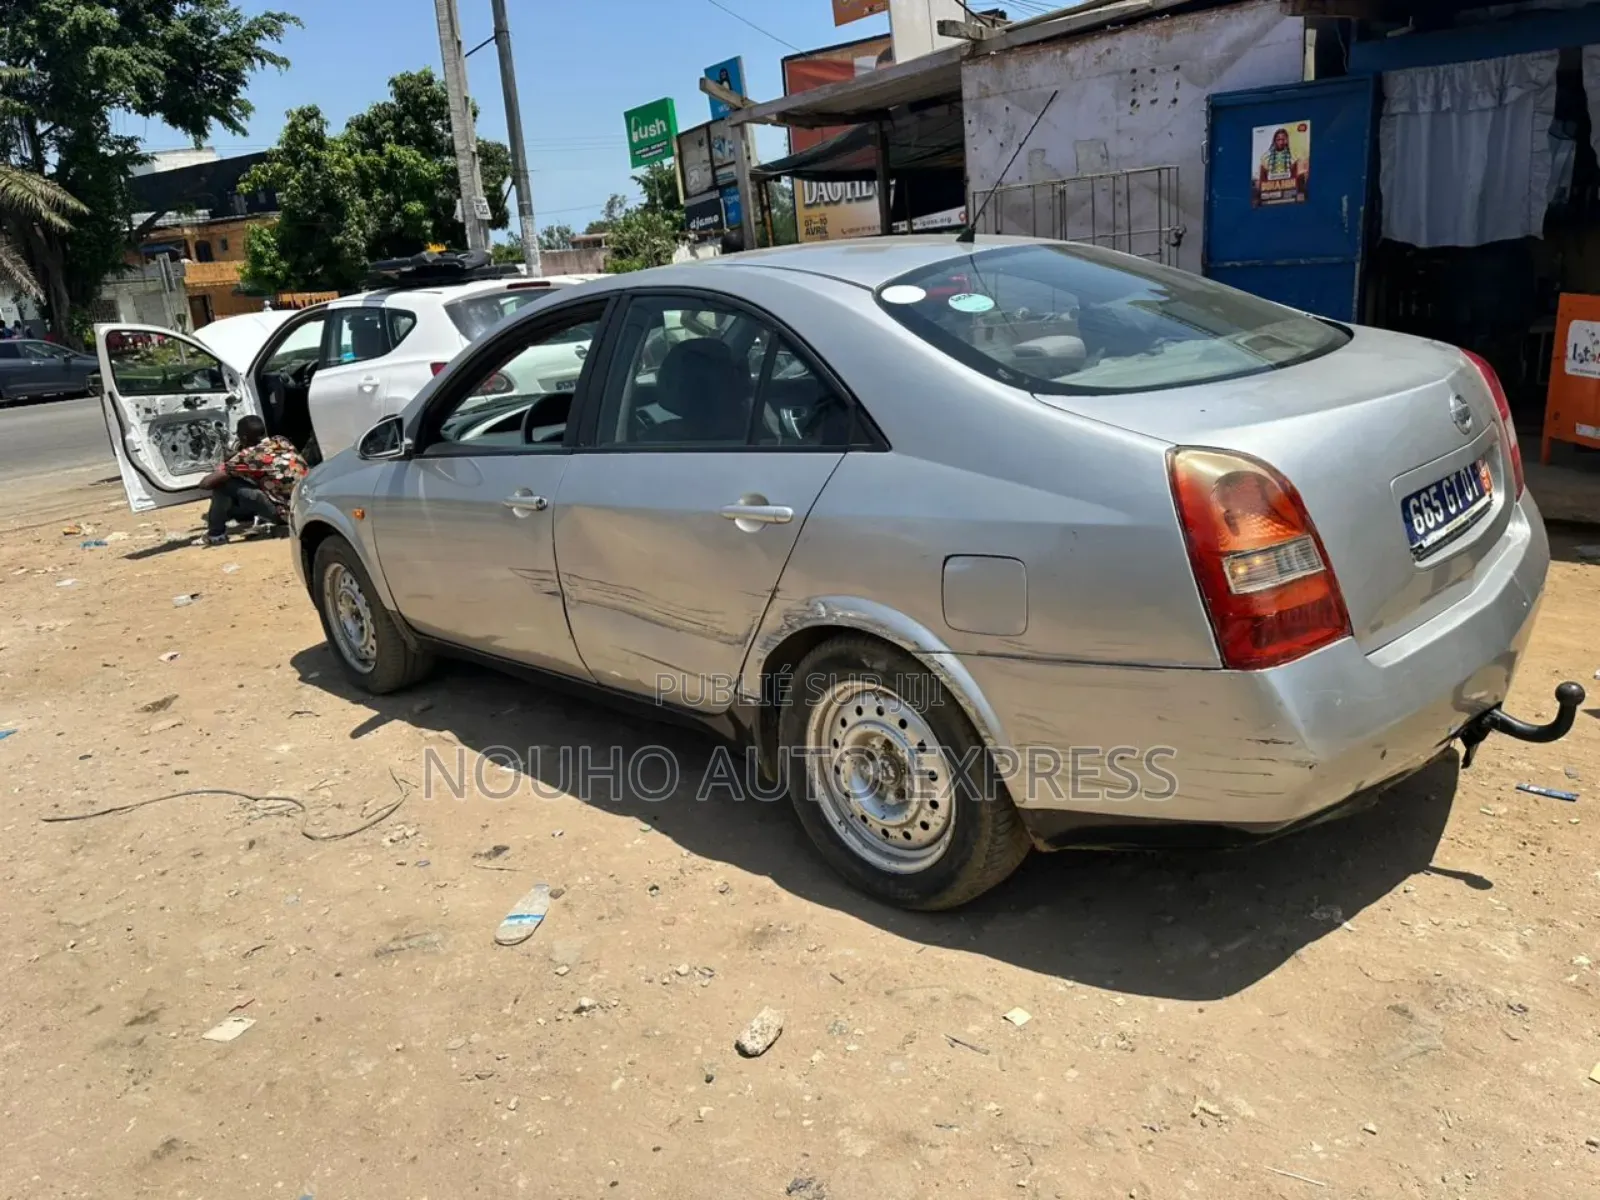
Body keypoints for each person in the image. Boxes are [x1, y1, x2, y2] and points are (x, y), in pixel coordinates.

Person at [197, 415, 308, 546]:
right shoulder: (281, 441)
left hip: (286, 514)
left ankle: (216, 535)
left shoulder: (247, 456)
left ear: (243, 438)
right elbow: (260, 460)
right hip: (306, 506)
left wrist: (230, 463)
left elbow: (205, 484)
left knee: (223, 485)